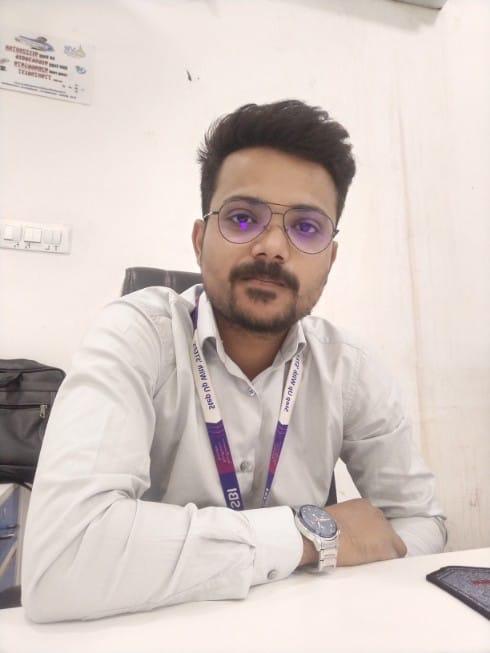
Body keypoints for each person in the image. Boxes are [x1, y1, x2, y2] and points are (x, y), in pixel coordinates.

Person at [22, 100, 447, 623]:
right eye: (243, 218)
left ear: (330, 259)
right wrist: (309, 535)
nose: (272, 247)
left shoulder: (350, 368)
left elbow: (421, 522)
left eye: (307, 228)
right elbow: (62, 562)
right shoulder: (136, 336)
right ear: (200, 240)